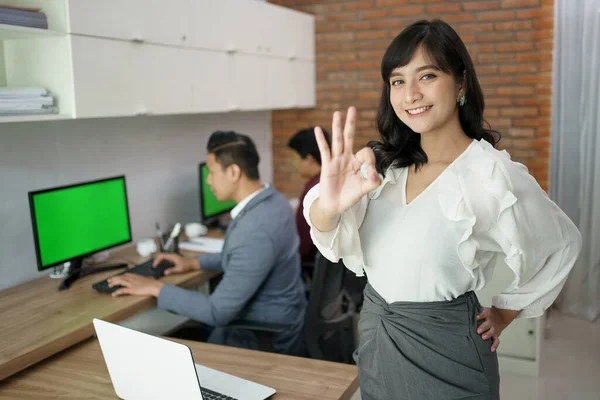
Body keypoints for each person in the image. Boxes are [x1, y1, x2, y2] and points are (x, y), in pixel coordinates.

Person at [304, 20, 582, 400]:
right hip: (377, 340)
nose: (411, 94)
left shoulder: (491, 173)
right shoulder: (382, 168)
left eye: (428, 75)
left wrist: (505, 311)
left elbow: (562, 243)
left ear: (461, 83)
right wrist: (330, 206)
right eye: (398, 81)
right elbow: (328, 233)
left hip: (448, 351)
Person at [108, 131, 307, 356]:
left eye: (211, 172)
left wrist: (155, 287)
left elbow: (216, 312)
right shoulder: (274, 201)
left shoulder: (255, 229)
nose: (208, 180)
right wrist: (193, 263)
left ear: (233, 172)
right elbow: (243, 259)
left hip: (261, 337)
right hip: (284, 317)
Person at [288, 127, 330, 264]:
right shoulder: (329, 180)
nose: (295, 164)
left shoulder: (313, 189)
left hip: (309, 264)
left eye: (296, 158)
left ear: (309, 159)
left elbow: (303, 247)